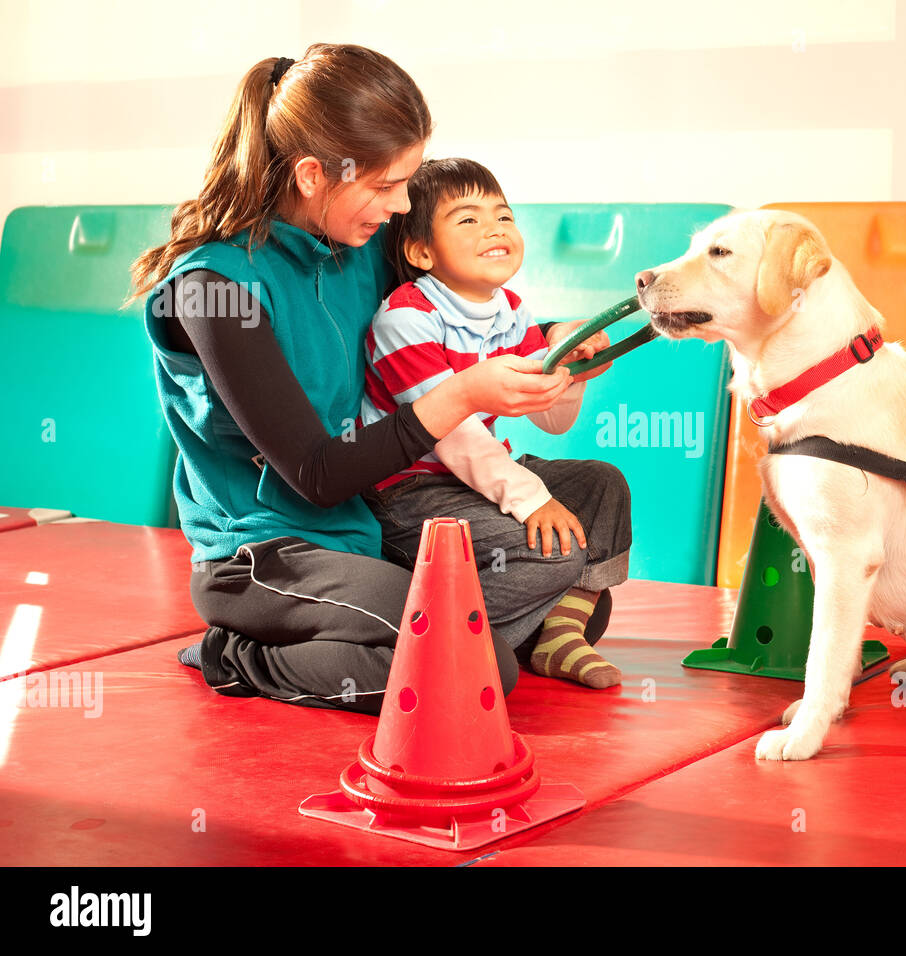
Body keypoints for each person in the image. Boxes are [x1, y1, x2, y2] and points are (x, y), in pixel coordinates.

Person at [127, 45, 596, 714]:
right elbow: (319, 477)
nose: (403, 204)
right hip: (268, 555)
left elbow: (456, 303)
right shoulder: (212, 291)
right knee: (476, 668)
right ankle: (237, 655)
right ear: (315, 174)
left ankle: (427, 633)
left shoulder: (359, 241)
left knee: (586, 528)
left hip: (372, 528)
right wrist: (461, 395)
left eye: (407, 181)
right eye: (384, 186)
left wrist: (557, 340)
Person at [360, 157, 632, 689]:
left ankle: (559, 635)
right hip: (411, 492)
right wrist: (531, 500)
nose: (494, 228)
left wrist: (572, 367)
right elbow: (452, 435)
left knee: (603, 485)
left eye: (503, 216)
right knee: (554, 550)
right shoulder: (405, 318)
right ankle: (440, 645)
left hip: (478, 474)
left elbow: (550, 418)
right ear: (421, 251)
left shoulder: (511, 309)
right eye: (467, 219)